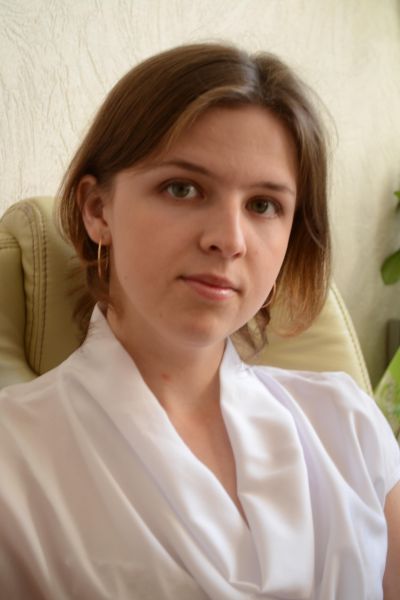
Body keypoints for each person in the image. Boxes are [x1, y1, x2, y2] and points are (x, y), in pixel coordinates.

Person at [0, 43, 399, 600]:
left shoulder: (347, 422)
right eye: (183, 189)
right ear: (97, 210)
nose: (229, 240)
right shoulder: (13, 456)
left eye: (263, 205)